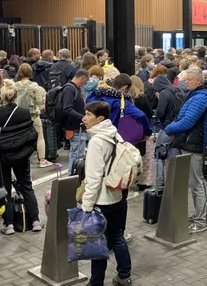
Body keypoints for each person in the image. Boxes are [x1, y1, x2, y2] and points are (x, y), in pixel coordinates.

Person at [80, 101, 132, 286]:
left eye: (88, 115)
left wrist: (86, 206)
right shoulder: (114, 133)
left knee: (97, 244)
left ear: (99, 118)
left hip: (101, 200)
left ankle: (96, 282)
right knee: (117, 237)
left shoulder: (96, 142)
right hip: (117, 195)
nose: (84, 118)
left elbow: (93, 178)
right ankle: (124, 276)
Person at [164, 67, 207, 233]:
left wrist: (169, 129)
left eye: (189, 79)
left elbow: (187, 122)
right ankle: (201, 214)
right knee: (195, 182)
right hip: (191, 141)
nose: (186, 82)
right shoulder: (198, 94)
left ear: (198, 81)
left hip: (193, 143)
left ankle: (200, 220)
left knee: (196, 183)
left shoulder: (200, 97)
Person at [0, 80, 42, 234]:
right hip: (21, 154)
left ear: (1, 96)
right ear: (15, 95)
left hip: (3, 155)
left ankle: (9, 224)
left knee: (5, 188)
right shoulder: (24, 112)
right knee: (26, 186)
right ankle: (35, 220)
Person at [14, 63, 50, 167]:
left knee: (21, 138)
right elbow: (39, 101)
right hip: (33, 115)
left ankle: (22, 159)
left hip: (19, 115)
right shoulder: (34, 85)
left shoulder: (15, 85)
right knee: (39, 137)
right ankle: (42, 160)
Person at [63, 70, 89, 174]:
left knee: (78, 154)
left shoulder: (74, 88)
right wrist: (83, 117)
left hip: (77, 127)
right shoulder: (70, 89)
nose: (86, 83)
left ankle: (74, 177)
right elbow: (67, 108)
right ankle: (72, 177)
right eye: (86, 80)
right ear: (82, 78)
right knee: (76, 154)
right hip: (74, 128)